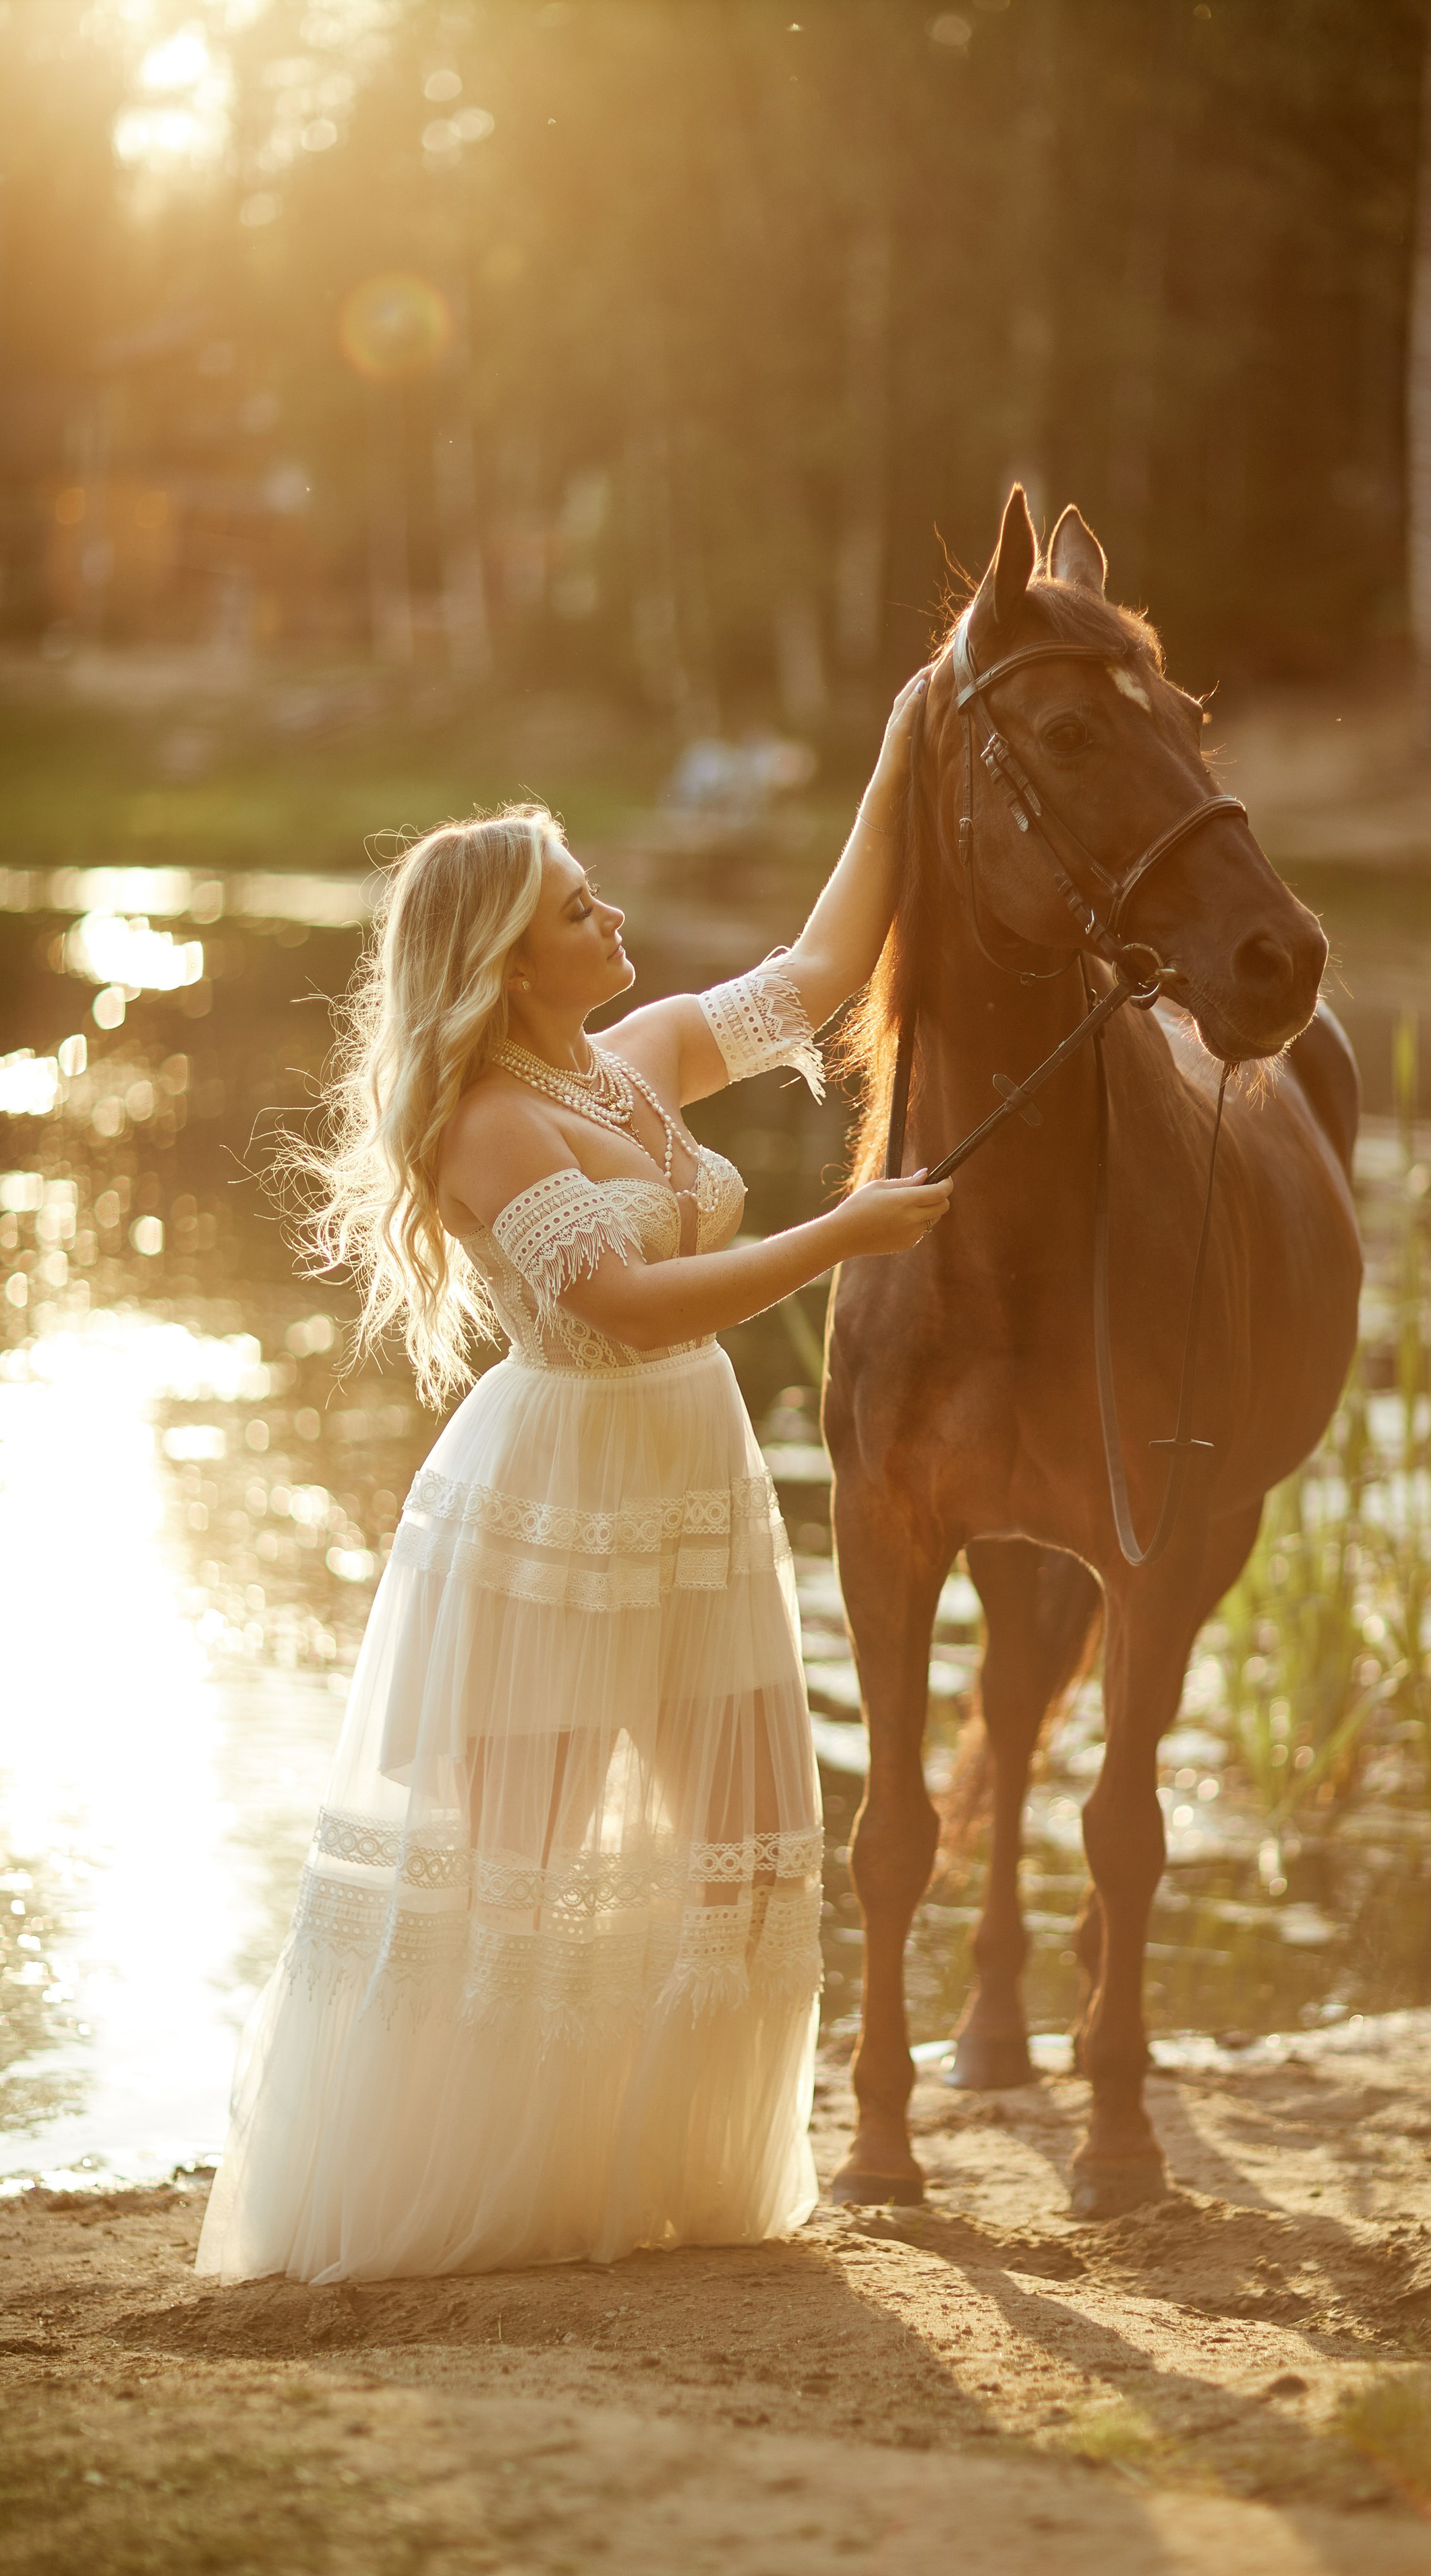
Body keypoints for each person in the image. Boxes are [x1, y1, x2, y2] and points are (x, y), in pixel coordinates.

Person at [196, 682, 947, 2285]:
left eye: (591, 890)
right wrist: (831, 1238)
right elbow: (612, 1301)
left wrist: (902, 751)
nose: (607, 910)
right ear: (504, 961)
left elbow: (816, 976)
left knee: (744, 1834)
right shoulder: (481, 1122)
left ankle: (672, 2174)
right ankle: (460, 2193)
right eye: (572, 904)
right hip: (553, 1499)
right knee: (513, 1865)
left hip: (693, 1475)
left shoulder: (642, 1058)